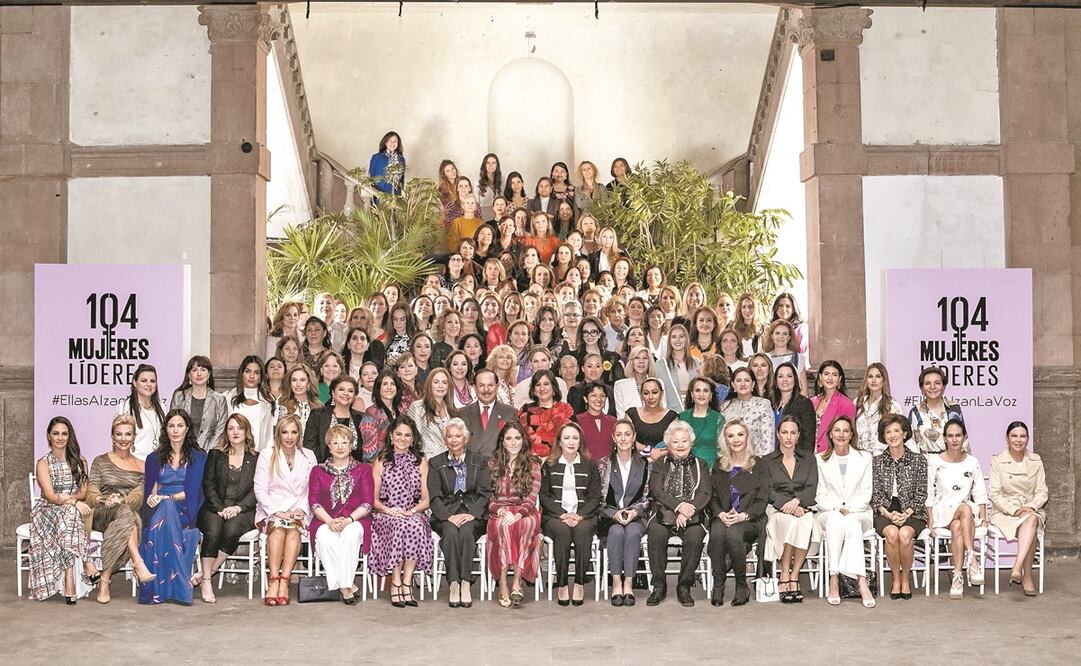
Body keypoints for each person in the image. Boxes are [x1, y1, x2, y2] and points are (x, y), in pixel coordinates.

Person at [138, 409, 208, 605]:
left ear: (187, 429)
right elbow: (152, 489)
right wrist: (153, 499)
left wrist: (168, 497)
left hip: (187, 506)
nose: (175, 430)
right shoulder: (154, 458)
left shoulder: (199, 457)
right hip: (160, 507)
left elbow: (196, 491)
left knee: (167, 505)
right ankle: (180, 584)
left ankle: (159, 589)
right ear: (166, 429)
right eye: (171, 426)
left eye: (180, 425)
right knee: (165, 507)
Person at [85, 414, 156, 603]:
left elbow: (138, 497)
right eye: (119, 434)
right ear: (112, 436)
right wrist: (104, 500)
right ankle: (138, 563)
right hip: (101, 513)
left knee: (127, 515)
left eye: (128, 434)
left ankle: (105, 581)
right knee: (129, 517)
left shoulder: (142, 466)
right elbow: (91, 493)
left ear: (134, 437)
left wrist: (120, 501)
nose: (123, 439)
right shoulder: (100, 461)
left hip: (126, 512)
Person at [28, 416, 98, 602]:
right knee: (71, 513)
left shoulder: (80, 461)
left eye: (64, 434)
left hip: (68, 513)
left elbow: (83, 493)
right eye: (56, 433)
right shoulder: (43, 463)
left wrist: (71, 502)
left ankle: (69, 579)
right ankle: (88, 563)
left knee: (69, 515)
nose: (60, 437)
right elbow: (51, 496)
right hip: (46, 511)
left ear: (69, 436)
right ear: (48, 436)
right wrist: (74, 502)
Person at [645, 420, 711, 607]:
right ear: (668, 444)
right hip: (663, 512)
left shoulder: (701, 464)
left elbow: (705, 493)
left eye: (684, 441)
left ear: (691, 442)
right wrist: (679, 506)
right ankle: (659, 586)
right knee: (656, 533)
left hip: (693, 514)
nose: (680, 445)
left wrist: (687, 510)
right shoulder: (660, 463)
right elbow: (656, 490)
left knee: (694, 536)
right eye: (675, 441)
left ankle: (684, 586)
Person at [427, 418, 491, 608]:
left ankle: (465, 583)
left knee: (466, 532)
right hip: (446, 513)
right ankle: (454, 583)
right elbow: (434, 496)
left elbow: (485, 493)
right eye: (449, 436)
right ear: (444, 439)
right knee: (450, 533)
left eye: (458, 436)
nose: (454, 440)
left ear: (465, 438)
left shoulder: (479, 461)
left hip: (472, 513)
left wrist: (472, 514)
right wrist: (448, 516)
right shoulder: (436, 463)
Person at [254, 415, 318, 606]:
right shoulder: (267, 454)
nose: (289, 437)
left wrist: (301, 509)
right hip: (271, 509)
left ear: (299, 434)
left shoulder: (309, 455)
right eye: (285, 432)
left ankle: (284, 581)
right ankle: (274, 580)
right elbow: (259, 489)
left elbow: (313, 488)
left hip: (299, 509)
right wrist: (276, 511)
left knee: (293, 530)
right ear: (278, 434)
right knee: (279, 529)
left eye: (293, 432)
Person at [308, 424, 375, 605]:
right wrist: (330, 521)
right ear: (328, 446)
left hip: (356, 519)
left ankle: (343, 585)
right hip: (325, 519)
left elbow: (368, 502)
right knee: (325, 538)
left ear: (351, 445)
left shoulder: (363, 469)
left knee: (349, 536)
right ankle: (347, 586)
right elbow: (313, 502)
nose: (340, 447)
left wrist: (348, 520)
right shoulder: (317, 470)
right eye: (335, 442)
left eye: (344, 442)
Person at [370, 416, 433, 608]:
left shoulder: (420, 461)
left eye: (407, 435)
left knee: (414, 525)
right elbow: (373, 500)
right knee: (398, 525)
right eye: (399, 434)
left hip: (413, 511)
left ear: (413, 439)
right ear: (391, 436)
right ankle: (396, 581)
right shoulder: (380, 461)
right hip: (385, 512)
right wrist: (388, 510)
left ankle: (407, 581)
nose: (402, 439)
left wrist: (411, 511)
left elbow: (426, 499)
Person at [195, 413, 258, 603]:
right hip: (214, 507)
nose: (235, 432)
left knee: (231, 529)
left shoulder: (256, 458)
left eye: (239, 428)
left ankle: (208, 572)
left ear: (246, 431)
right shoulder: (215, 455)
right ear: (226, 433)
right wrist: (220, 508)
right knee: (213, 530)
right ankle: (207, 581)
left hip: (243, 510)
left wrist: (238, 508)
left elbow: (257, 489)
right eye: (231, 428)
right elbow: (208, 485)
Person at [539, 422, 602, 607]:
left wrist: (579, 515)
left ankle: (580, 583)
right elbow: (544, 496)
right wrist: (563, 514)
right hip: (556, 517)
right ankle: (562, 584)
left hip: (583, 516)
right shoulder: (549, 464)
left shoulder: (590, 465)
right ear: (559, 441)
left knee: (583, 532)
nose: (571, 442)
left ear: (580, 441)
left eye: (575, 438)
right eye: (566, 438)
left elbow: (595, 497)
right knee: (563, 533)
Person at [815, 416, 876, 607]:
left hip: (859, 511)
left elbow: (866, 492)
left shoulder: (864, 458)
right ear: (830, 434)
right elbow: (819, 494)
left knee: (851, 522)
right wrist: (836, 508)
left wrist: (849, 509)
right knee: (836, 520)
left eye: (845, 431)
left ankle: (857, 580)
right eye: (837, 430)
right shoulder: (820, 459)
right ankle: (838, 579)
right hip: (828, 511)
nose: (841, 434)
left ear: (851, 435)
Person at [758, 415, 819, 604]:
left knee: (805, 522)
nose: (789, 437)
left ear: (798, 435)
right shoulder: (766, 460)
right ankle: (785, 572)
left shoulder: (809, 459)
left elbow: (812, 487)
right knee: (793, 523)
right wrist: (789, 506)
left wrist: (798, 502)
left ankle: (793, 575)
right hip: (776, 509)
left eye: (793, 433)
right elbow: (767, 490)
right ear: (778, 434)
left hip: (803, 507)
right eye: (784, 432)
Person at [926, 418, 987, 599]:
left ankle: (957, 577)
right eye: (950, 436)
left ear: (964, 437)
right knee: (965, 509)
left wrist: (984, 517)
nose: (954, 440)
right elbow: (929, 493)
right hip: (942, 512)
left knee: (957, 526)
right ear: (944, 438)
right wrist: (930, 521)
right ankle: (972, 559)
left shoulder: (972, 461)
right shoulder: (934, 461)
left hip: (964, 516)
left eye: (958, 435)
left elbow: (980, 492)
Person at [708, 419, 766, 607]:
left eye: (740, 434)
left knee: (734, 533)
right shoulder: (719, 464)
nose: (736, 440)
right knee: (717, 531)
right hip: (724, 516)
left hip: (750, 519)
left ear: (747, 437)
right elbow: (712, 497)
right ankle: (718, 585)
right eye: (730, 436)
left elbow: (762, 500)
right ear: (725, 440)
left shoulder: (759, 464)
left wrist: (744, 515)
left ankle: (742, 586)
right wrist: (720, 514)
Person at [871, 414, 927, 600]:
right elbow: (875, 494)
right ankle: (896, 578)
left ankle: (905, 578)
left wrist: (907, 513)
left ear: (904, 434)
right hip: (885, 510)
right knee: (892, 534)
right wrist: (887, 513)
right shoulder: (877, 462)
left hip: (913, 510)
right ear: (883, 436)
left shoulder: (919, 460)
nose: (892, 435)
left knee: (904, 535)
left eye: (896, 431)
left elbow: (922, 493)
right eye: (888, 432)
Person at [487, 422, 543, 608]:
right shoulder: (492, 464)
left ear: (523, 440)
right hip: (499, 512)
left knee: (523, 525)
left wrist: (518, 514)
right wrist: (501, 511)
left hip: (525, 511)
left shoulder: (533, 464)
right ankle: (503, 582)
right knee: (504, 526)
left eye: (517, 438)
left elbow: (532, 498)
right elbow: (488, 497)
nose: (513, 442)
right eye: (509, 438)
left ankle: (517, 581)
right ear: (502, 441)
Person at [988, 421, 1047, 596]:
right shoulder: (997, 461)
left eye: (1022, 436)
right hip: (1005, 512)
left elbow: (1042, 491)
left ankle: (1017, 567)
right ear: (1006, 439)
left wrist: (1030, 506)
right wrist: (1014, 510)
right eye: (1014, 436)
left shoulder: (1036, 460)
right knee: (1031, 523)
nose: (1018, 440)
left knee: (1032, 519)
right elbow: (995, 494)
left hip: (1030, 509)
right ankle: (1026, 574)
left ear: (1028, 439)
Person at [597, 419, 650, 606]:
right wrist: (613, 514)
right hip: (609, 517)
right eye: (619, 435)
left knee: (633, 533)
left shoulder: (644, 464)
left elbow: (648, 497)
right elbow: (597, 498)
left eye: (627, 434)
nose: (623, 439)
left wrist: (634, 512)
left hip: (636, 517)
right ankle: (616, 582)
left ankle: (628, 583)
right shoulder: (603, 464)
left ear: (634, 437)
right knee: (617, 532)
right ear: (613, 437)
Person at [171, 355, 228, 451]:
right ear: (189, 375)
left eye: (203, 370)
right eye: (194, 370)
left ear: (209, 374)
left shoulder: (219, 400)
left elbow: (220, 431)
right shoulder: (179, 397)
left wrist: (205, 454)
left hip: (209, 454)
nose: (199, 374)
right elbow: (172, 425)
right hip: (181, 452)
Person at [460, 368, 519, 458]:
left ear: (497, 386)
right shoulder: (463, 414)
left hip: (499, 464)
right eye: (481, 385)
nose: (486, 390)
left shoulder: (510, 413)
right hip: (471, 465)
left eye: (490, 385)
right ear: (475, 388)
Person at [909, 366, 964, 454]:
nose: (932, 387)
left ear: (943, 387)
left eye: (937, 383)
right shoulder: (915, 412)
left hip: (954, 459)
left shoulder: (954, 408)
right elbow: (911, 444)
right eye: (927, 383)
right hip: (927, 461)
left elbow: (963, 439)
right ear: (922, 388)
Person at [224, 355, 275, 452]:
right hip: (233, 453)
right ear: (241, 374)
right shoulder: (228, 397)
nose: (252, 376)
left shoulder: (268, 399)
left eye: (256, 372)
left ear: (261, 377)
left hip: (260, 454)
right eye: (248, 371)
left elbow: (269, 434)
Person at [518, 370, 574, 457]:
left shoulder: (565, 410)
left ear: (554, 387)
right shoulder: (525, 411)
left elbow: (572, 439)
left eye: (546, 384)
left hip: (559, 460)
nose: (542, 388)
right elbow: (519, 438)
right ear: (534, 390)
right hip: (531, 460)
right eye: (538, 385)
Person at [721, 367, 775, 457]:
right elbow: (722, 439)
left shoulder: (763, 404)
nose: (743, 384)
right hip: (731, 459)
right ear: (733, 385)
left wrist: (765, 462)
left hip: (757, 459)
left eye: (746, 380)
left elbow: (768, 439)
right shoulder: (725, 406)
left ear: (753, 384)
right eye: (738, 381)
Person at [115, 363, 165, 460]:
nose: (149, 384)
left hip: (157, 464)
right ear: (135, 383)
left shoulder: (162, 409)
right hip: (133, 464)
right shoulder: (125, 408)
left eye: (152, 381)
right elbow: (119, 441)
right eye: (144, 381)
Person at [405, 367, 456, 458]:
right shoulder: (417, 407)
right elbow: (411, 437)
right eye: (436, 382)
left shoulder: (451, 410)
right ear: (429, 385)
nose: (440, 386)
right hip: (426, 460)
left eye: (444, 382)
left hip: (450, 461)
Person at [854, 363, 904, 455]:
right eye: (870, 376)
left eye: (878, 376)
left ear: (884, 380)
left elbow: (900, 434)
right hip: (860, 456)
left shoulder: (892, 405)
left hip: (883, 456)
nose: (873, 380)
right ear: (866, 380)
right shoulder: (858, 402)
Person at [625, 378, 679, 462]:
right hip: (635, 463)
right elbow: (625, 439)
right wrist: (649, 450)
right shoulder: (631, 414)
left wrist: (660, 453)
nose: (650, 397)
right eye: (646, 393)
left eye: (654, 392)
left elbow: (676, 443)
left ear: (662, 394)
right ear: (641, 395)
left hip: (664, 463)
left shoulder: (672, 416)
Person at [812, 360, 856, 454]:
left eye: (834, 375)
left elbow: (849, 436)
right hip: (810, 455)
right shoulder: (812, 402)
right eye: (826, 374)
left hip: (832, 455)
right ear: (820, 377)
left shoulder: (847, 405)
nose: (830, 378)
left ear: (839, 379)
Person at [772, 363, 816, 455]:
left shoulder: (804, 403)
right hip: (772, 457)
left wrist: (804, 459)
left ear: (795, 380)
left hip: (795, 457)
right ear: (776, 381)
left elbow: (808, 438)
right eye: (780, 376)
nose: (785, 380)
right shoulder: (770, 403)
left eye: (789, 376)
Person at [680, 376, 724, 466]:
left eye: (705, 391)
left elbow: (723, 449)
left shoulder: (719, 419)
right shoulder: (682, 417)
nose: (701, 394)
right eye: (697, 390)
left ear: (711, 395)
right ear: (692, 394)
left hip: (712, 468)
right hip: (686, 466)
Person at [360, 370, 401, 462]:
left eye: (392, 384)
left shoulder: (401, 411)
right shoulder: (371, 413)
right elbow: (369, 452)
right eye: (385, 384)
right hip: (378, 464)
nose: (389, 387)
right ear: (378, 388)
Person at [575, 382, 618, 460]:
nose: (599, 399)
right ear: (585, 399)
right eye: (593, 395)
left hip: (609, 465)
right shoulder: (577, 421)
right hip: (585, 465)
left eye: (602, 396)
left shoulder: (613, 421)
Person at [612, 345, 655, 418]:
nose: (641, 361)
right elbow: (621, 417)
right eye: (637, 358)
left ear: (649, 362)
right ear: (631, 362)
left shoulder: (658, 384)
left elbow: (662, 411)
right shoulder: (620, 386)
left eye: (645, 358)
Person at [278, 365, 322, 431]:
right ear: (290, 383)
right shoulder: (282, 405)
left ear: (309, 383)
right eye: (294, 380)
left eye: (302, 380)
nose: (298, 384)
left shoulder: (319, 407)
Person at [369, 131, 405, 196]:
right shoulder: (376, 157)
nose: (392, 143)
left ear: (398, 143)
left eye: (395, 141)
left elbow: (402, 179)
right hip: (380, 193)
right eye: (390, 141)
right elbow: (371, 177)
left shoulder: (401, 159)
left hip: (396, 194)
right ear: (385, 142)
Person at [732, 292, 763, 357]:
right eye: (743, 307)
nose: (747, 310)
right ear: (740, 309)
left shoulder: (762, 329)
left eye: (750, 306)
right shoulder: (734, 329)